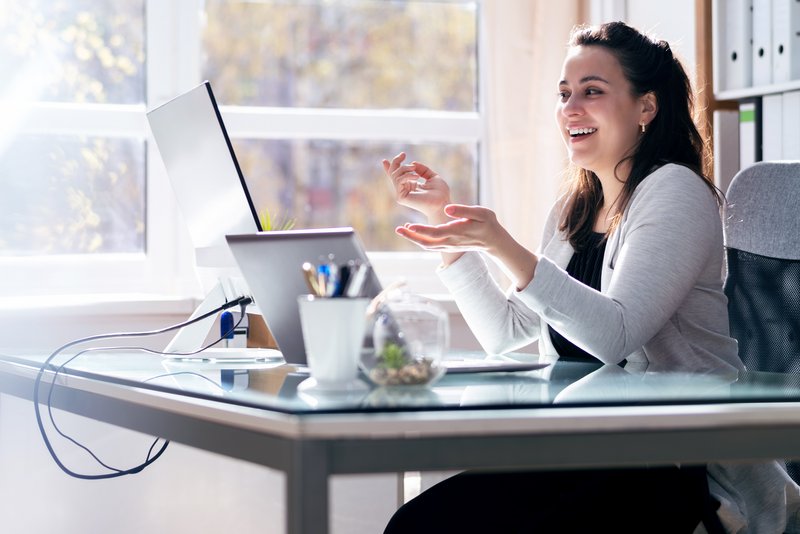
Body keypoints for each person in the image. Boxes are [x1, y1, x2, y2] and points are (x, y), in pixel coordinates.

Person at [381, 21, 800, 533]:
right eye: (564, 94)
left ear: (646, 107)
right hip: (585, 449)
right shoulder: (573, 209)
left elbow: (614, 335)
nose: (571, 108)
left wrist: (503, 246)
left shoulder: (676, 191)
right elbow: (506, 334)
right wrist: (444, 225)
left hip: (674, 465)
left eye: (592, 92)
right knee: (420, 522)